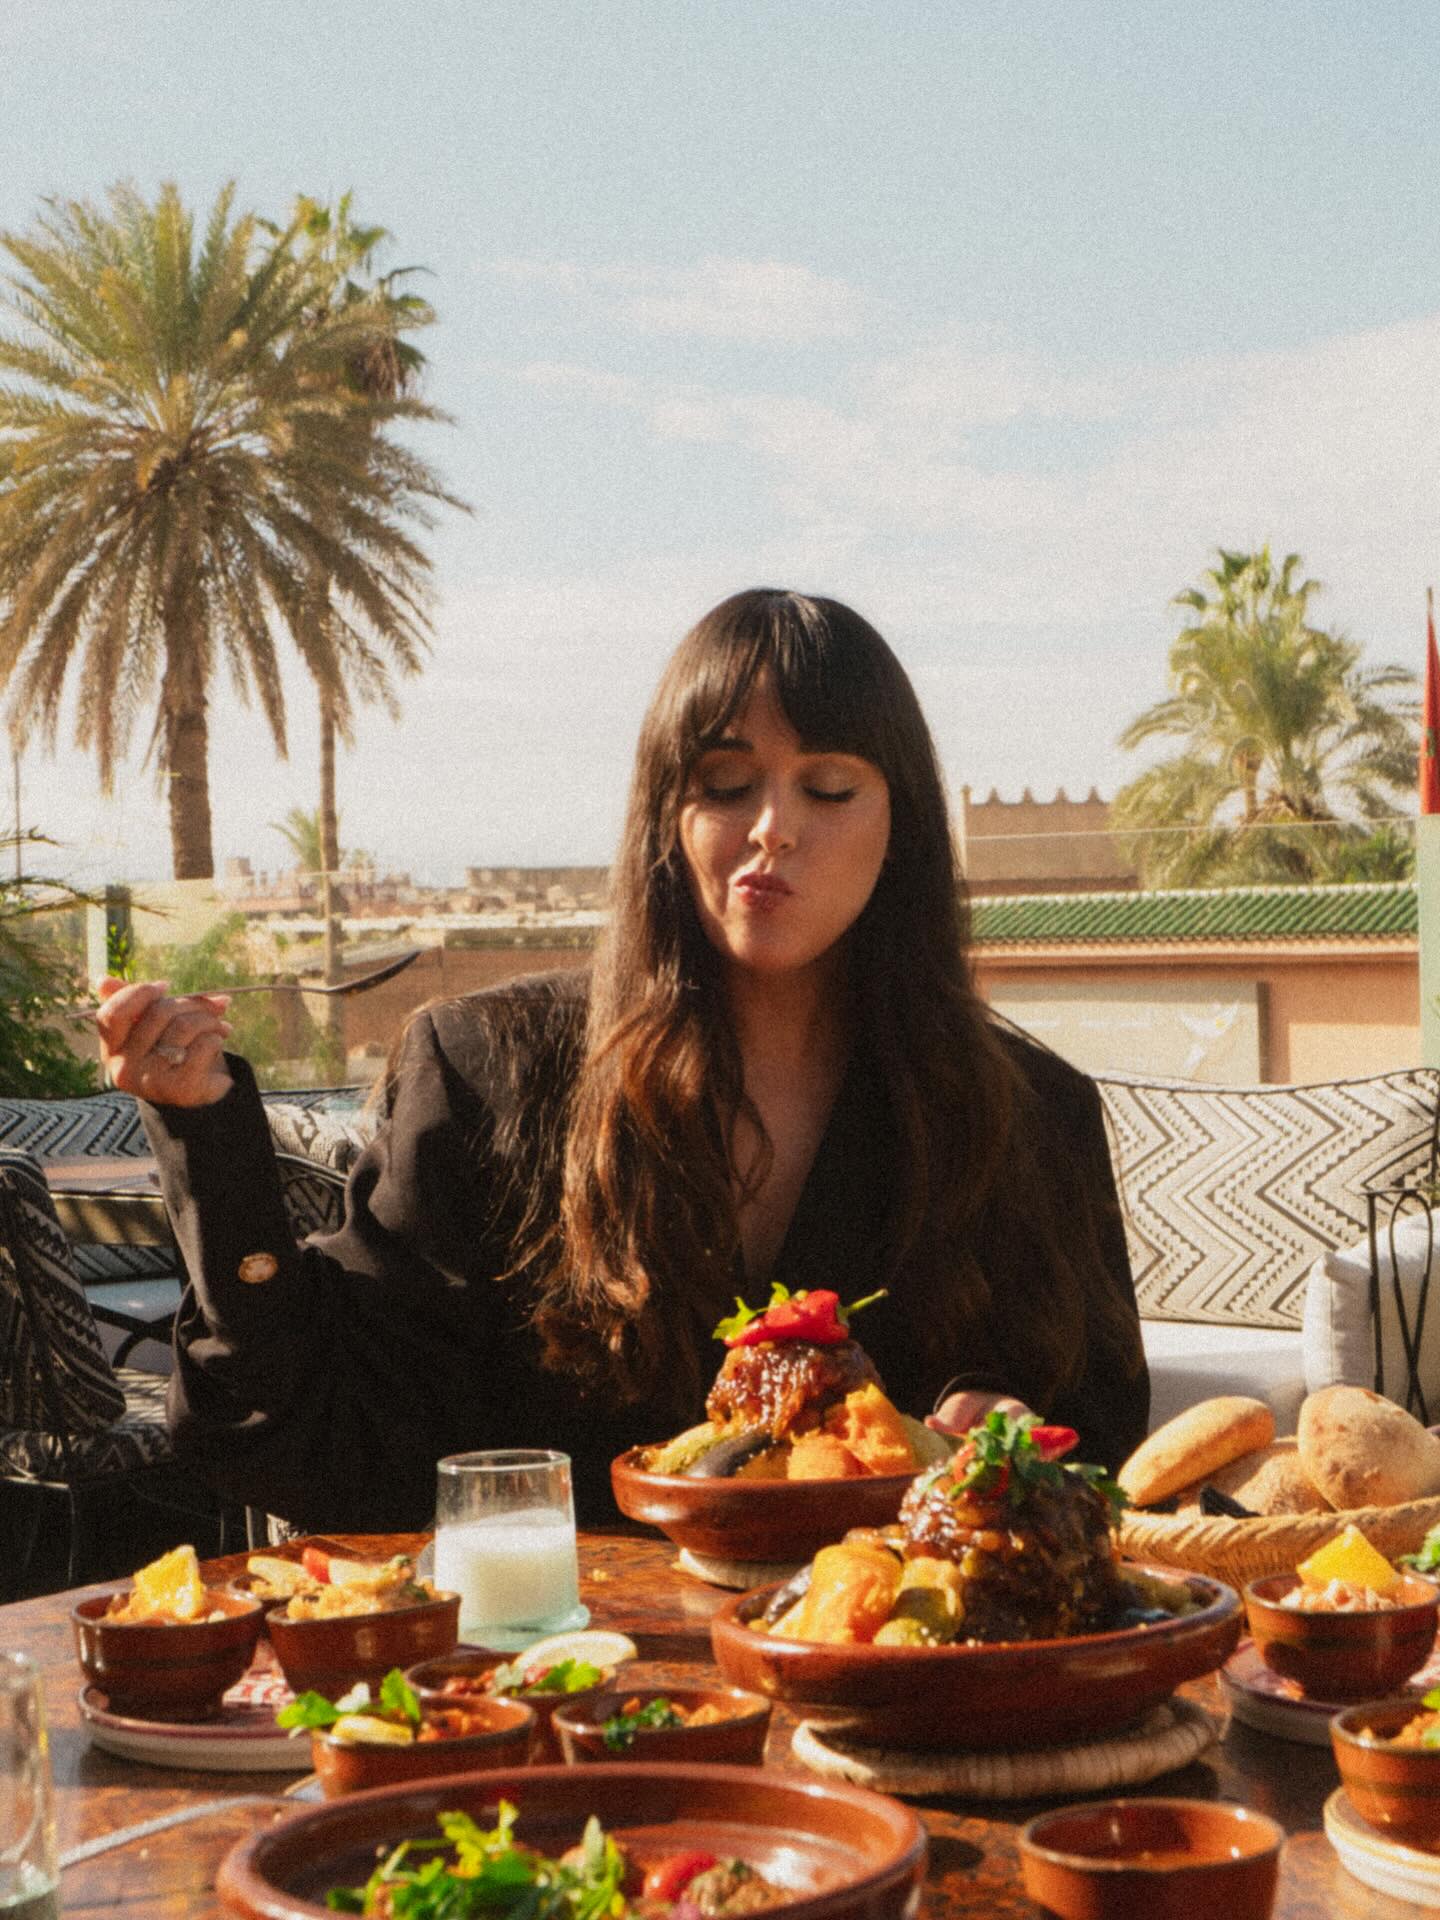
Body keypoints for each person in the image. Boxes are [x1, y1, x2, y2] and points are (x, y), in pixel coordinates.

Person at [98, 588, 1148, 1530]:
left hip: (905, 1700)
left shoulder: (1029, 1117)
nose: (772, 830)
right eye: (726, 783)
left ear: (901, 825)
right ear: (665, 816)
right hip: (581, 1696)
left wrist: (1000, 1430)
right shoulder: (489, 1075)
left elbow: (1102, 1445)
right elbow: (335, 1432)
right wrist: (210, 1131)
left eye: (828, 788)